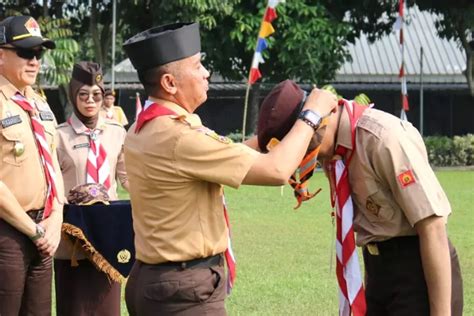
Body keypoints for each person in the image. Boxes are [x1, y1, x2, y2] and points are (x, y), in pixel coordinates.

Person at [122, 22, 337, 315]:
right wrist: (312, 114)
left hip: (156, 280)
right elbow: (276, 171)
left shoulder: (145, 127)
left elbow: (227, 153)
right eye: (197, 66)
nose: (206, 73)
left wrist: (271, 137)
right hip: (184, 291)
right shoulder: (180, 137)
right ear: (170, 83)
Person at [256, 81, 464, 316]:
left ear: (320, 120)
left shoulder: (384, 139)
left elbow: (433, 227)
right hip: (378, 269)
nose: (303, 156)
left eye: (303, 142)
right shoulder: (333, 149)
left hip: (417, 270)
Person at [0, 15, 65, 316]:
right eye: (26, 52)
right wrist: (34, 231)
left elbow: (52, 164)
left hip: (43, 231)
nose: (35, 61)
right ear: (1, 54)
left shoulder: (40, 103)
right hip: (8, 233)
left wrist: (54, 221)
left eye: (39, 53)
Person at [53, 61, 129, 316]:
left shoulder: (117, 133)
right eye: (83, 95)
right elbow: (51, 184)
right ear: (73, 95)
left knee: (107, 307)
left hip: (109, 235)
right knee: (75, 307)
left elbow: (128, 179)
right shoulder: (59, 136)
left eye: (96, 95)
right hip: (73, 238)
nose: (90, 101)